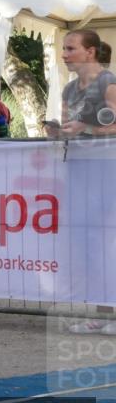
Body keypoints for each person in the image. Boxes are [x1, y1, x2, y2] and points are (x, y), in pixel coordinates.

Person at [46, 31, 116, 334]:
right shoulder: (69, 89)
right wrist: (58, 133)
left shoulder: (108, 82)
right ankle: (102, 311)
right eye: (63, 48)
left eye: (70, 49)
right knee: (89, 244)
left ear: (91, 52)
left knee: (105, 243)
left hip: (106, 170)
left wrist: (85, 127)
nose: (64, 54)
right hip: (79, 170)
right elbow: (68, 127)